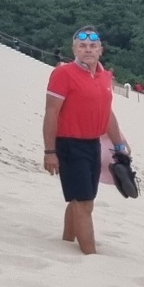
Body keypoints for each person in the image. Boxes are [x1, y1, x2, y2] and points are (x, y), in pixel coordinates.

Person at [42, 26, 129, 255]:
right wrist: (49, 151)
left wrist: (119, 144)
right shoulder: (62, 74)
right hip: (69, 144)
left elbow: (107, 112)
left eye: (92, 46)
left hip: (93, 144)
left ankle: (67, 243)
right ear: (74, 49)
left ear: (100, 50)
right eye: (82, 46)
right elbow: (51, 112)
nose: (87, 50)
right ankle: (90, 257)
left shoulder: (104, 76)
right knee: (84, 202)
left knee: (80, 198)